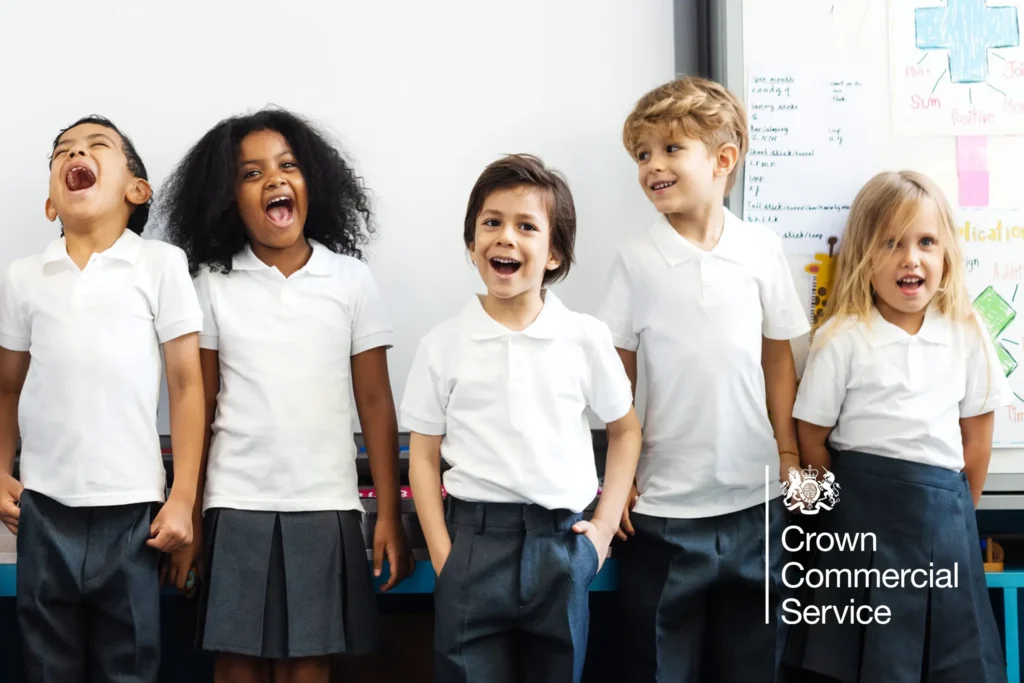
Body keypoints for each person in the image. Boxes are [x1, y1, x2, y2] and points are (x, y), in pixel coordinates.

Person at [161, 108, 413, 683]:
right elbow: (198, 404)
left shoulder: (350, 280)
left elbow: (376, 403)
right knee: (236, 664)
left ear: (312, 182)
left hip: (325, 504)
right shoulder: (211, 284)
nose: (273, 179)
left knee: (309, 666)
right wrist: (191, 516)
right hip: (234, 503)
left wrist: (388, 516)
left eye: (287, 165)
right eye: (251, 173)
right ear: (228, 199)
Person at [599, 77, 811, 682]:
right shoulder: (636, 257)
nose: (652, 166)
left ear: (723, 160)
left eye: (671, 149)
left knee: (757, 663)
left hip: (757, 501)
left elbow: (778, 359)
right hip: (664, 509)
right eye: (643, 154)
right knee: (659, 664)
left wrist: (788, 452)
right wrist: (619, 477)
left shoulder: (761, 248)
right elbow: (617, 370)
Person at [401, 154, 642, 683]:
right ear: (472, 244)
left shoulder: (585, 337)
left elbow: (625, 431)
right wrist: (444, 558)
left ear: (554, 253)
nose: (505, 237)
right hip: (472, 544)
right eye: (492, 222)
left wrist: (602, 531)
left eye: (526, 226)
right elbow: (422, 457)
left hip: (561, 544)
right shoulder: (442, 344)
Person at [0, 115, 204, 683]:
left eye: (96, 146)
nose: (75, 155)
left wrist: (182, 497)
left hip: (133, 509)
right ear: (50, 203)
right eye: (62, 151)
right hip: (43, 507)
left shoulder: (160, 264)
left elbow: (187, 386)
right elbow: (7, 387)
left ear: (136, 189)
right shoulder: (24, 277)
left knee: (130, 662)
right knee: (46, 663)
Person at [783, 170, 1010, 683]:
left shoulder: (967, 332)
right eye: (891, 243)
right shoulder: (842, 336)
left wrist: (953, 514)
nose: (911, 258)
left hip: (944, 522)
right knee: (855, 662)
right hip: (858, 524)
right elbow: (811, 437)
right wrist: (840, 513)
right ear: (864, 257)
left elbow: (977, 438)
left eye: (926, 242)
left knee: (950, 662)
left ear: (946, 254)